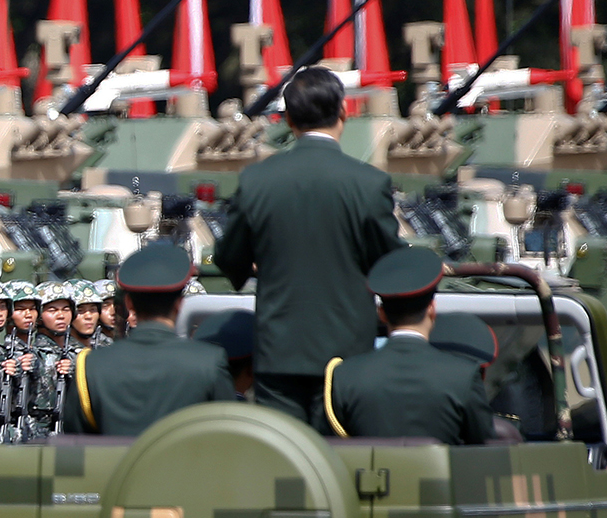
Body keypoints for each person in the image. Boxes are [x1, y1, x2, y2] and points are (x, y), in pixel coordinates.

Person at [213, 66, 405, 429]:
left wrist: (253, 266)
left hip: (278, 352)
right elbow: (391, 264)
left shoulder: (256, 180)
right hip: (347, 354)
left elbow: (229, 260)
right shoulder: (368, 183)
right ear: (343, 112)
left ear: (287, 119)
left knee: (285, 462)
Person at [324, 247, 496, 445]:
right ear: (432, 309)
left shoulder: (345, 375)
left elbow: (329, 450)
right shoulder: (463, 375)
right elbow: (486, 451)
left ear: (381, 314)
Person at [60, 245, 233, 436]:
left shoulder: (90, 365)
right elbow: (226, 435)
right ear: (180, 304)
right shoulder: (209, 361)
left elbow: (76, 441)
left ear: (129, 304)